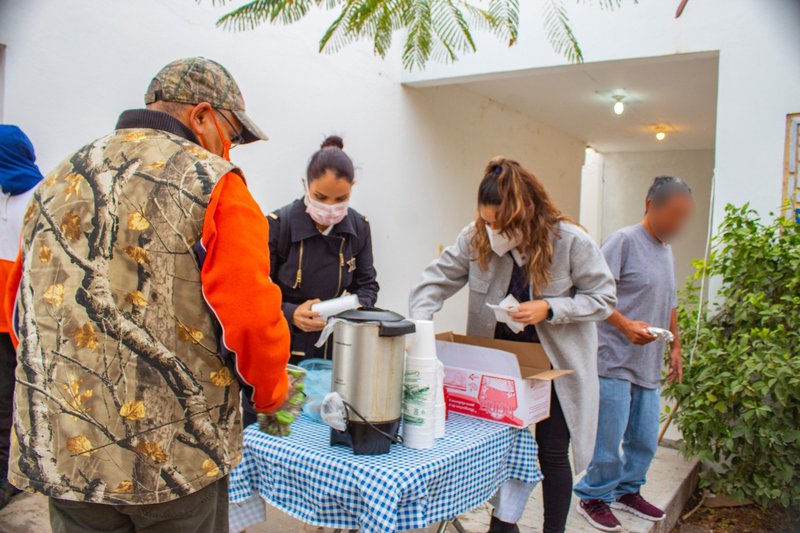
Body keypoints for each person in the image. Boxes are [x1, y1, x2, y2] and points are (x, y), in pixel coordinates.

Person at [2, 57, 291, 533]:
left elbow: (20, 312)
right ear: (201, 116)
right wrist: (271, 395)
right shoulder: (215, 183)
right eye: (232, 135)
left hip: (68, 449)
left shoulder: (56, 178)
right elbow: (250, 317)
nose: (230, 150)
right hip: (173, 460)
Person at [409, 157, 617, 533]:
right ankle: (503, 525)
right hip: (500, 361)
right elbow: (433, 282)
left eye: (503, 225)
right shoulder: (475, 239)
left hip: (556, 364)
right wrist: (421, 327)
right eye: (488, 222)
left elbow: (603, 298)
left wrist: (551, 307)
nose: (494, 232)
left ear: (528, 211)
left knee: (552, 454)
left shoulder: (570, 241)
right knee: (499, 448)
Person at [573, 176, 692, 531]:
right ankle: (593, 496)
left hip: (647, 361)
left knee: (643, 438)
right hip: (612, 357)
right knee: (608, 438)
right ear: (650, 205)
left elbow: (669, 300)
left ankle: (628, 490)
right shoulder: (623, 241)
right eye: (673, 214)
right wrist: (625, 326)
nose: (679, 224)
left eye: (684, 216)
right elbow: (593, 294)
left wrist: (676, 346)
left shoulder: (666, 249)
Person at [267, 136, 378, 361]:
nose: (329, 208)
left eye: (341, 198)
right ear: (305, 185)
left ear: (352, 189)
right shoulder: (278, 225)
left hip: (335, 348)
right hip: (282, 345)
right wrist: (290, 313)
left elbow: (367, 285)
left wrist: (351, 306)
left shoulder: (358, 228)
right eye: (320, 197)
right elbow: (254, 290)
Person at [0, 125, 44, 511]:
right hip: (10, 323)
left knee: (11, 405)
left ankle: (8, 476)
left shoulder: (41, 199)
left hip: (21, 328)